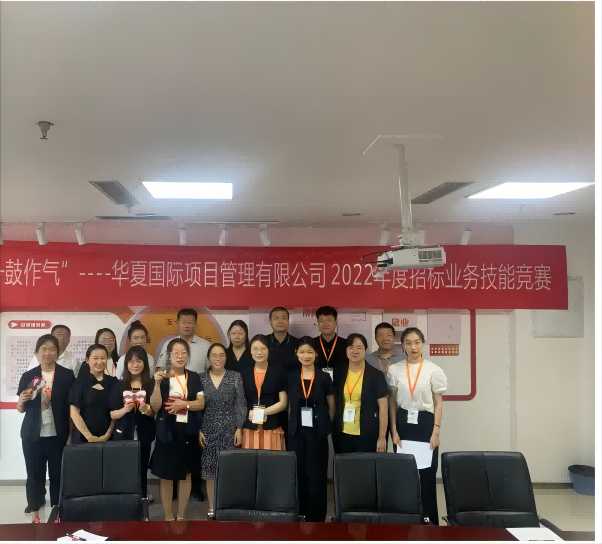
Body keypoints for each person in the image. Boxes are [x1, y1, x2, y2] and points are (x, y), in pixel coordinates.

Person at [388, 327, 447, 525]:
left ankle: (429, 520)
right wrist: (394, 431)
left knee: (427, 474)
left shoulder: (433, 370)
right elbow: (392, 403)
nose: (413, 347)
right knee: (405, 474)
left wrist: (436, 430)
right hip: (403, 424)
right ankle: (407, 520)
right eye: (408, 343)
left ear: (423, 344)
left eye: (417, 342)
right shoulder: (395, 369)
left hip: (425, 424)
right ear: (402, 346)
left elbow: (438, 403)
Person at [17, 334, 75, 523]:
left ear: (57, 352)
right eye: (44, 349)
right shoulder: (28, 376)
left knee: (58, 475)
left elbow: (72, 409)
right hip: (32, 435)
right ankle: (35, 514)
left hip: (58, 435)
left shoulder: (67, 375)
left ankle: (58, 512)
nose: (47, 353)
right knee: (34, 475)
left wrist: (70, 435)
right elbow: (21, 409)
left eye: (52, 349)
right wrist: (21, 401)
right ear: (36, 353)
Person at [149, 338, 205, 521]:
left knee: (186, 474)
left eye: (184, 352)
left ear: (188, 355)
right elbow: (154, 407)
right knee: (166, 476)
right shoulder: (162, 377)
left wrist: (184, 404)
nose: (180, 356)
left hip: (188, 431)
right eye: (176, 353)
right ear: (169, 355)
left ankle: (180, 515)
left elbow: (201, 403)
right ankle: (168, 515)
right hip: (166, 431)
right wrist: (156, 384)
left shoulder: (194, 377)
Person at [287, 337, 334, 522]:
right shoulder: (291, 376)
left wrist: (325, 423)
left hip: (317, 432)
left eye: (309, 352)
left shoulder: (324, 377)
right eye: (302, 352)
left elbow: (331, 405)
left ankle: (317, 516)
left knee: (317, 474)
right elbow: (288, 405)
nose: (306, 356)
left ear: (316, 354)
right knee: (298, 471)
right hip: (296, 432)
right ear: (296, 354)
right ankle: (300, 512)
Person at [198, 343, 247, 519]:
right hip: (208, 429)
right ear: (208, 358)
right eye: (214, 355)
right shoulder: (201, 378)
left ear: (226, 357)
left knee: (229, 469)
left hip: (229, 430)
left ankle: (227, 507)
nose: (217, 358)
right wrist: (199, 429)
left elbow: (241, 404)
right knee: (210, 471)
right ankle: (212, 508)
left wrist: (239, 428)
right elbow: (198, 408)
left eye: (221, 355)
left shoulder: (235, 377)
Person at [109, 346, 156, 500]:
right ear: (126, 363)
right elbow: (112, 414)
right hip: (123, 433)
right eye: (131, 361)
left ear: (145, 363)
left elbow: (154, 411)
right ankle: (125, 497)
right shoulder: (119, 385)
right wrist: (124, 410)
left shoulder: (150, 384)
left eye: (139, 361)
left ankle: (142, 496)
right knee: (124, 467)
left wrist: (146, 410)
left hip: (145, 432)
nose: (135, 364)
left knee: (142, 466)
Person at [332, 334, 389, 454]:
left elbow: (383, 408)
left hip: (367, 435)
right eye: (351, 347)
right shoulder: (338, 374)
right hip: (342, 435)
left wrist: (382, 437)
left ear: (365, 350)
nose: (355, 351)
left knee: (365, 466)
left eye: (359, 347)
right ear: (346, 350)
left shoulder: (376, 375)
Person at [239, 334, 287, 451]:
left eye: (263, 348)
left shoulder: (278, 372)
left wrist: (262, 412)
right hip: (249, 428)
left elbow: (283, 403)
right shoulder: (244, 373)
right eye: (255, 349)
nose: (259, 352)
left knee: (271, 461)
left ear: (269, 350)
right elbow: (239, 402)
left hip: (271, 427)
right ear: (250, 351)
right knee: (250, 461)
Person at [365, 322, 405, 447]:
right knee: (377, 447)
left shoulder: (404, 358)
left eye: (388, 335)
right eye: (380, 335)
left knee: (401, 447)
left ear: (394, 337)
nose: (385, 339)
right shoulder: (367, 359)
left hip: (398, 410)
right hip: (375, 410)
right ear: (375, 338)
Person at [69, 344, 118, 443]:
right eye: (95, 358)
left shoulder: (113, 382)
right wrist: (89, 437)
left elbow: (116, 410)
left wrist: (108, 434)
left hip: (110, 438)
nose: (99, 362)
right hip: (84, 439)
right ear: (87, 360)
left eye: (103, 358)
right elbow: (74, 412)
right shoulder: (79, 382)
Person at [156, 309, 211, 374]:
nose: (186, 326)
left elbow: (211, 370)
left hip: (197, 380)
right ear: (178, 323)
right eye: (183, 322)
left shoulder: (206, 345)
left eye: (190, 322)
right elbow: (160, 368)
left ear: (195, 324)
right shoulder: (168, 344)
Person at [313, 306, 348, 383]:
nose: (325, 324)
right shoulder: (311, 344)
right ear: (318, 323)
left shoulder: (346, 345)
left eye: (329, 320)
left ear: (336, 322)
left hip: (341, 386)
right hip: (316, 386)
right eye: (322, 321)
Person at [266, 307, 300, 372]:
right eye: (276, 318)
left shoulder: (298, 343)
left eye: (284, 318)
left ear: (288, 321)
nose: (280, 322)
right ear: (270, 322)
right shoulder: (264, 342)